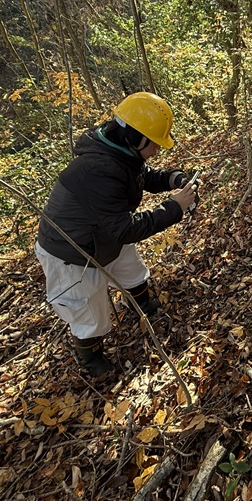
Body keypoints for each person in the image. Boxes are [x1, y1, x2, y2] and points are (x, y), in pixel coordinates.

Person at [34, 92, 197, 377]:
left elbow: (141, 176)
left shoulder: (117, 152)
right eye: (155, 144)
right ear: (135, 138)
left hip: (104, 234)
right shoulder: (97, 169)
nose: (157, 150)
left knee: (131, 269)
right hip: (72, 252)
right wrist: (174, 208)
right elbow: (126, 228)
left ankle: (141, 304)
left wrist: (173, 178)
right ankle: (90, 357)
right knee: (87, 311)